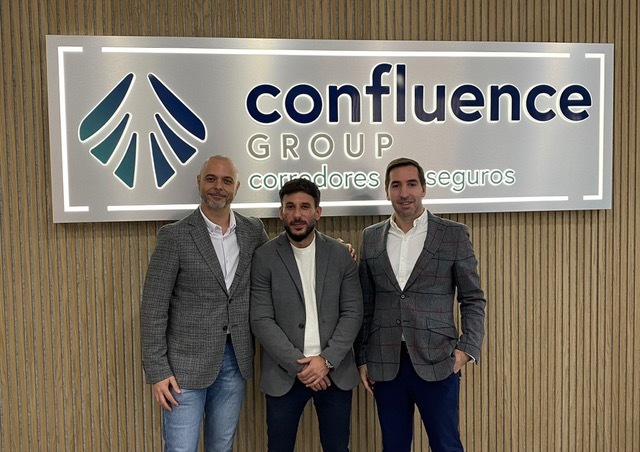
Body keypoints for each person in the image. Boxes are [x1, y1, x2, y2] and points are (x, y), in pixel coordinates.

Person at [354, 157, 486, 452]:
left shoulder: (452, 234)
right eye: (396, 185)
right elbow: (366, 302)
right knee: (394, 447)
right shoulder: (371, 237)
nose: (404, 193)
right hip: (385, 363)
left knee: (446, 445)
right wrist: (362, 357)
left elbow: (473, 297)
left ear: (424, 188)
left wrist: (466, 349)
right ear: (387, 191)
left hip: (438, 361)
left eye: (411, 184)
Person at [140, 155, 269, 452]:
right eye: (211, 179)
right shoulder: (174, 236)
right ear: (199, 182)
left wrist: (338, 247)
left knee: (222, 447)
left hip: (235, 360)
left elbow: (281, 261)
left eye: (226, 181)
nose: (218, 187)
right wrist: (158, 371)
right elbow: (153, 307)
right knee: (181, 449)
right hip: (183, 367)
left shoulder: (253, 232)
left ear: (236, 187)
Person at [250, 178, 363, 452]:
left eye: (304, 207)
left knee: (338, 448)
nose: (297, 214)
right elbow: (261, 319)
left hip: (334, 372)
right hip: (284, 373)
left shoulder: (340, 255)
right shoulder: (264, 257)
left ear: (317, 212)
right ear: (281, 212)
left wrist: (326, 360)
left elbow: (353, 312)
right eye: (290, 207)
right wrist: (301, 367)